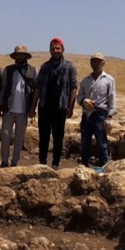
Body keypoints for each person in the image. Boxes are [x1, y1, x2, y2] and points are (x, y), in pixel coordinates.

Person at [30, 37, 78, 170]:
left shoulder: (70, 67)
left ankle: (56, 163)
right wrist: (33, 107)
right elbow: (38, 88)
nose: (55, 51)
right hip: (45, 107)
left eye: (58, 48)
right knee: (43, 137)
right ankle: (42, 163)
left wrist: (71, 107)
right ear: (50, 51)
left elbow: (73, 87)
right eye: (53, 49)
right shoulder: (45, 67)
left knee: (58, 138)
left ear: (63, 49)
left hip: (60, 107)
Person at [77, 53, 116, 169]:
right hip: (87, 114)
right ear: (90, 63)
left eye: (98, 62)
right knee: (85, 141)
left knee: (102, 142)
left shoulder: (109, 80)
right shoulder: (85, 81)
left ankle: (105, 166)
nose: (96, 64)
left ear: (103, 63)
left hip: (100, 114)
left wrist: (109, 117)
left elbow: (112, 98)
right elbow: (79, 97)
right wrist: (83, 101)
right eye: (93, 61)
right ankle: (84, 165)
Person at [0, 45, 36, 167]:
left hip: (23, 110)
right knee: (5, 136)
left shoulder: (33, 71)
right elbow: (3, 89)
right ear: (15, 57)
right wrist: (0, 105)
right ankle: (4, 161)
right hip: (9, 109)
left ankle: (15, 161)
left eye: (22, 55)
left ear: (26, 56)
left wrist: (32, 109)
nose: (20, 57)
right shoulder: (8, 70)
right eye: (18, 55)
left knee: (19, 138)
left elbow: (36, 91)